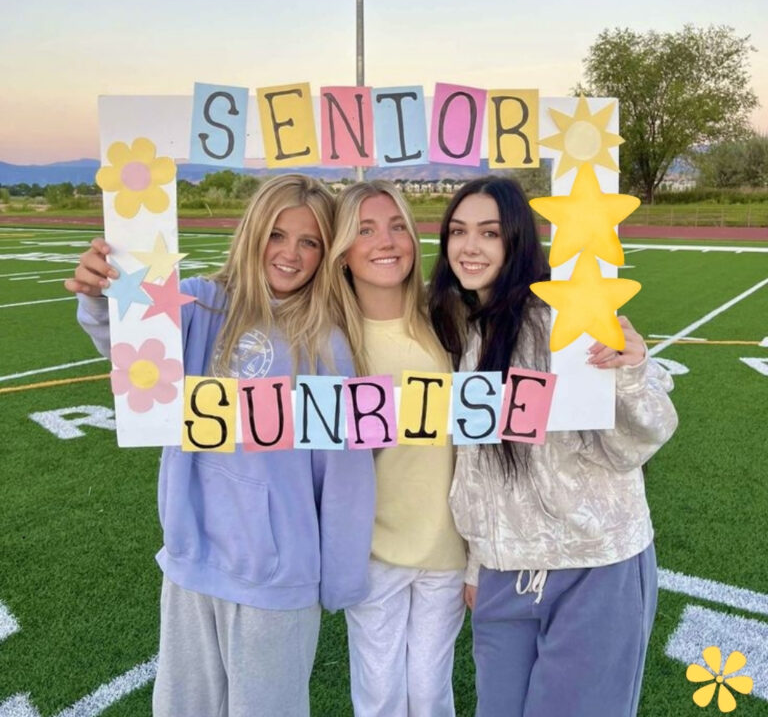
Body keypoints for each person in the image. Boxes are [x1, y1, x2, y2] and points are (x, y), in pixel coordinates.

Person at [65, 174, 376, 717]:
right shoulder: (202, 305)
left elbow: (345, 471)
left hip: (277, 580)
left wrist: (341, 576)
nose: (290, 254)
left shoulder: (328, 342)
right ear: (253, 232)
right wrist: (101, 297)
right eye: (277, 234)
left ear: (326, 254)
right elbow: (134, 347)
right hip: (191, 562)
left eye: (310, 242)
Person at [427, 175, 678, 717]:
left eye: (489, 233)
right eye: (458, 231)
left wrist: (631, 371)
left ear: (517, 241)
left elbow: (641, 437)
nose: (470, 247)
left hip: (594, 565)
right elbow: (472, 467)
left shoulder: (564, 323)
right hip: (502, 573)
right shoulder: (454, 330)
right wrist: (478, 563)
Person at [329, 181, 466, 717]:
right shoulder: (327, 335)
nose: (386, 241)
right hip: (371, 551)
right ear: (342, 251)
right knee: (381, 694)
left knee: (431, 693)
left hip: (447, 543)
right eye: (365, 229)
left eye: (396, 226)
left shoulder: (450, 318)